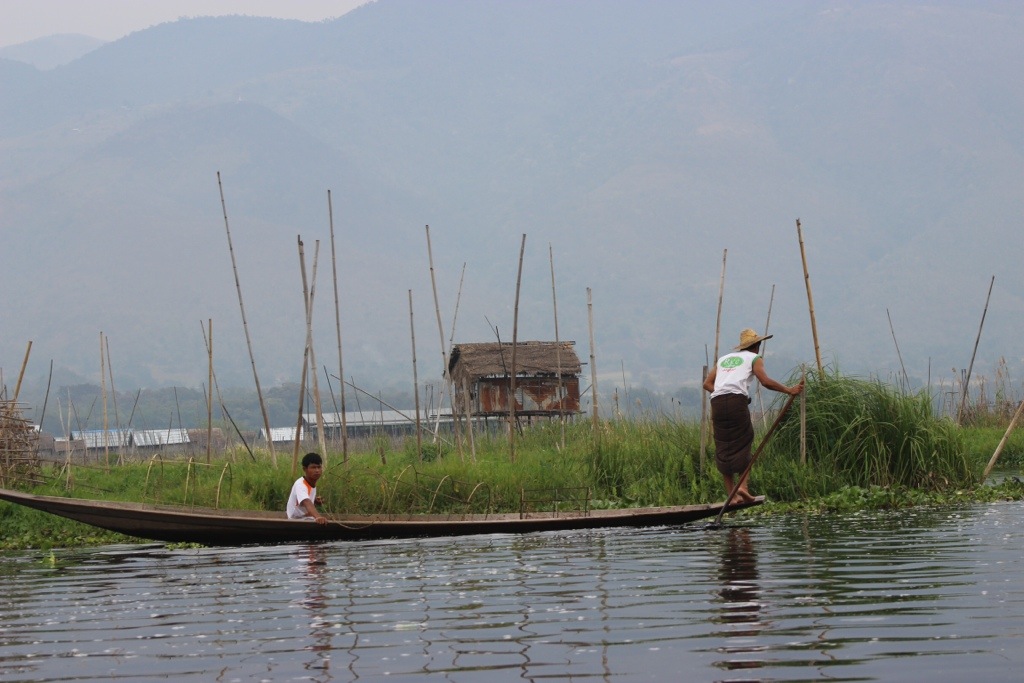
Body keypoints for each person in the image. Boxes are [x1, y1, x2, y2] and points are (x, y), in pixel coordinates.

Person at [702, 328, 803, 504]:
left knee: (723, 445)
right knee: (744, 440)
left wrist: (723, 393)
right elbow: (765, 381)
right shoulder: (754, 358)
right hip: (736, 402)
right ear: (757, 346)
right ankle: (743, 487)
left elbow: (707, 384)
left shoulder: (724, 359)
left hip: (717, 403)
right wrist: (789, 390)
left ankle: (732, 496)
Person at [287, 452, 328, 524]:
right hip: (296, 520)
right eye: (313, 467)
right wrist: (318, 517)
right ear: (304, 469)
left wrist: (315, 501)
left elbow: (305, 499)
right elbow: (306, 501)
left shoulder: (311, 483)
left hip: (306, 517)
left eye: (319, 467)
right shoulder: (300, 484)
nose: (317, 470)